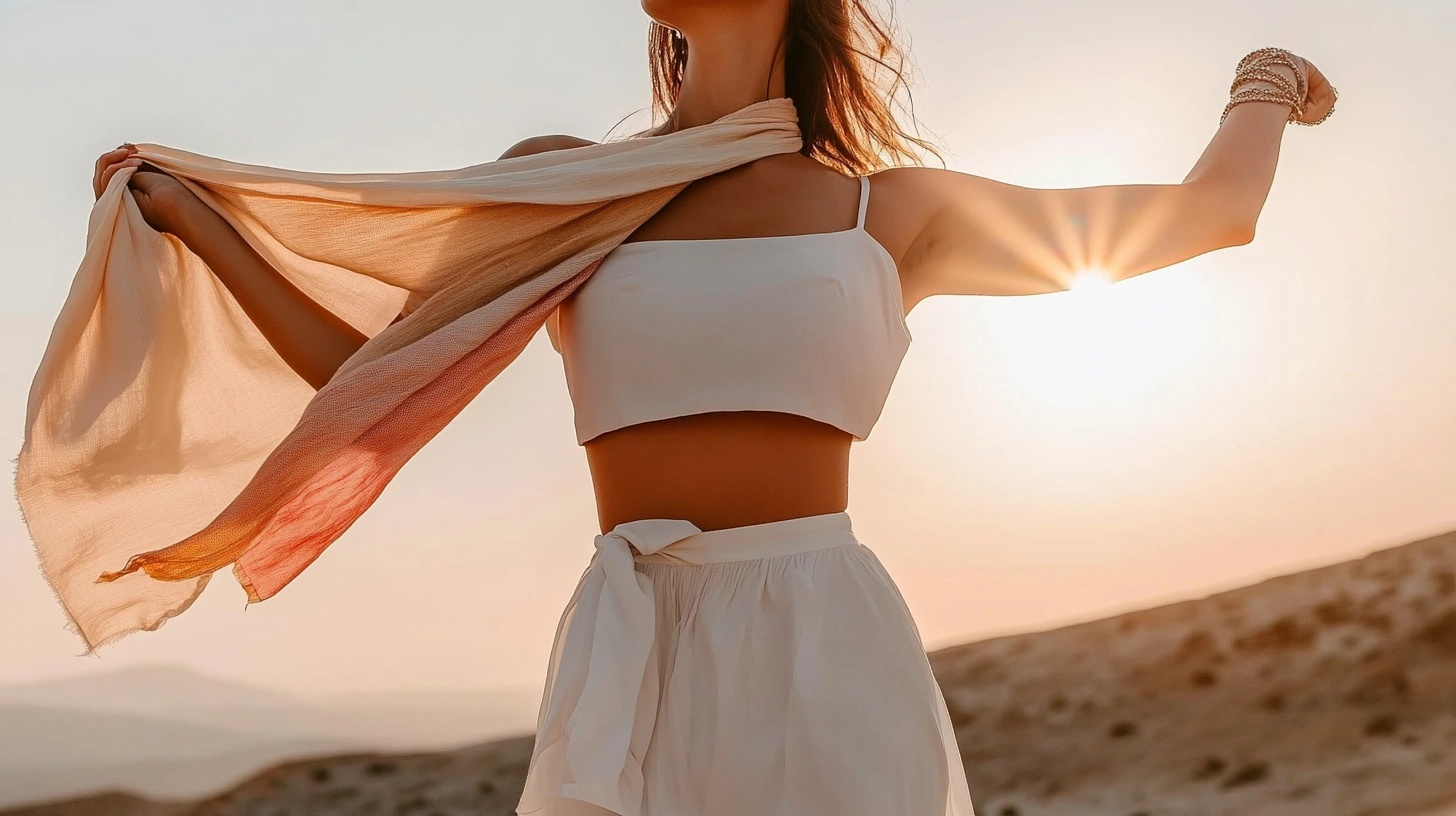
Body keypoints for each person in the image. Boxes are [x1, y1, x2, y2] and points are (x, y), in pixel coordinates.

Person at [89, 2, 1335, 814]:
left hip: (823, 635)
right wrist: (201, 227)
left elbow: (1209, 215)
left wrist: (1261, 84)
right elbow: (369, 379)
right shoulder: (570, 188)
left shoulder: (891, 212)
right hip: (634, 638)